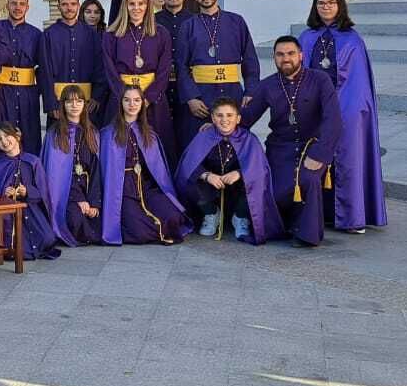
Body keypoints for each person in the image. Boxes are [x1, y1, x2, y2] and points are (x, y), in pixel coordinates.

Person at [298, 0, 386, 234]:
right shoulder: (306, 37)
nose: (326, 7)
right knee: (313, 154)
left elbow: (358, 82)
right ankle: (319, 213)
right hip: (313, 107)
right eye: (321, 3)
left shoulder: (353, 40)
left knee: (348, 159)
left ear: (340, 6)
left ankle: (350, 217)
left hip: (346, 106)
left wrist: (342, 110)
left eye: (331, 3)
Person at [241, 37, 342, 247]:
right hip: (280, 148)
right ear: (275, 58)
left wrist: (320, 155)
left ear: (301, 55)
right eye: (280, 55)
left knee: (308, 179)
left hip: (311, 146)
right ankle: (284, 226)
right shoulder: (267, 85)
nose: (286, 59)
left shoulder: (320, 79)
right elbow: (247, 117)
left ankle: (306, 235)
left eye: (290, 54)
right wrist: (219, 126)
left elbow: (333, 119)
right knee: (277, 190)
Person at [175, 98, 283, 245]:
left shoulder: (248, 139)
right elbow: (188, 165)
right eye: (219, 115)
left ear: (238, 118)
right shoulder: (204, 136)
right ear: (213, 118)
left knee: (254, 180)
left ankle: (240, 216)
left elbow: (259, 168)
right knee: (190, 179)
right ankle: (212, 213)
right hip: (210, 188)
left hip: (238, 189)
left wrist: (239, 173)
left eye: (229, 115)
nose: (224, 120)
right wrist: (207, 176)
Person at [95, 86, 191, 245]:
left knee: (174, 216)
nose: (132, 104)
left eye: (136, 100)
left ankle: (157, 227)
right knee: (138, 231)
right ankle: (156, 230)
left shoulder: (149, 133)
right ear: (120, 104)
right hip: (122, 191)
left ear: (142, 104)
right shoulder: (107, 134)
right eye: (127, 100)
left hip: (146, 188)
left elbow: (158, 172)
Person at [102, 0, 177, 165]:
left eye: (141, 4)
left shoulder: (161, 33)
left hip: (152, 100)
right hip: (121, 98)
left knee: (155, 146)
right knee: (119, 146)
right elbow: (110, 69)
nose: (136, 8)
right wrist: (126, 98)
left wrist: (148, 98)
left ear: (148, 6)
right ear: (125, 7)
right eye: (132, 4)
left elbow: (164, 70)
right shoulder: (112, 35)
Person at [175, 0, 259, 131]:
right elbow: (181, 66)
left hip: (233, 96)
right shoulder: (188, 26)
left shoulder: (236, 22)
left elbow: (250, 59)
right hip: (201, 99)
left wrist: (251, 90)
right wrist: (191, 98)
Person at [0, 123, 62, 260]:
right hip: (7, 212)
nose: (4, 141)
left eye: (7, 136)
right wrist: (3, 193)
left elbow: (43, 193)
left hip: (30, 209)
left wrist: (27, 192)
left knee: (47, 238)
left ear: (17, 136)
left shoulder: (33, 161)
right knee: (8, 242)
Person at [41, 85, 102, 246]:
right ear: (63, 105)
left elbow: (97, 172)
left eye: (79, 101)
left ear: (84, 104)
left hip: (88, 192)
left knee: (99, 221)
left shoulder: (92, 133)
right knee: (75, 220)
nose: (74, 105)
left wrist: (94, 202)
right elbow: (54, 177)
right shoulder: (54, 135)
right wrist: (78, 199)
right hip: (65, 195)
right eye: (69, 101)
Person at [41, 0, 108, 128]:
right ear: (58, 6)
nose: (69, 8)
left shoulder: (92, 35)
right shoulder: (48, 35)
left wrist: (96, 96)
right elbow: (44, 71)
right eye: (64, 4)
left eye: (72, 4)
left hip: (87, 103)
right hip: (59, 104)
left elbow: (100, 67)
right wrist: (50, 103)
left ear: (78, 6)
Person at [0, 0, 43, 155]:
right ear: (7, 5)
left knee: (28, 136)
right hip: (1, 92)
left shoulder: (36, 35)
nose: (17, 7)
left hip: (27, 95)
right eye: (14, 3)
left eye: (22, 4)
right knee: (2, 133)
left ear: (27, 7)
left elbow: (43, 67)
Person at [153, 0, 196, 157]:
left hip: (187, 84)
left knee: (186, 130)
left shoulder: (194, 20)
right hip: (160, 83)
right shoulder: (153, 20)